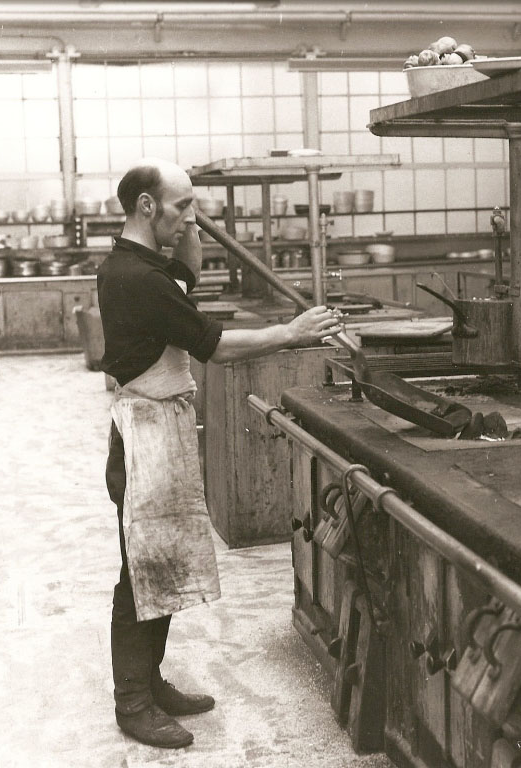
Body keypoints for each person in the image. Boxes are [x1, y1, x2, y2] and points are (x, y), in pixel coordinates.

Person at [98, 158, 341, 749]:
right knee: (141, 573)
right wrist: (293, 332)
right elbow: (215, 346)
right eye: (183, 206)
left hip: (164, 429)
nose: (194, 218)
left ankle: (150, 682)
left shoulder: (150, 266)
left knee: (163, 566)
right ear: (147, 207)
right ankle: (132, 701)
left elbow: (190, 285)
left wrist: (187, 233)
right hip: (143, 440)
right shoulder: (133, 277)